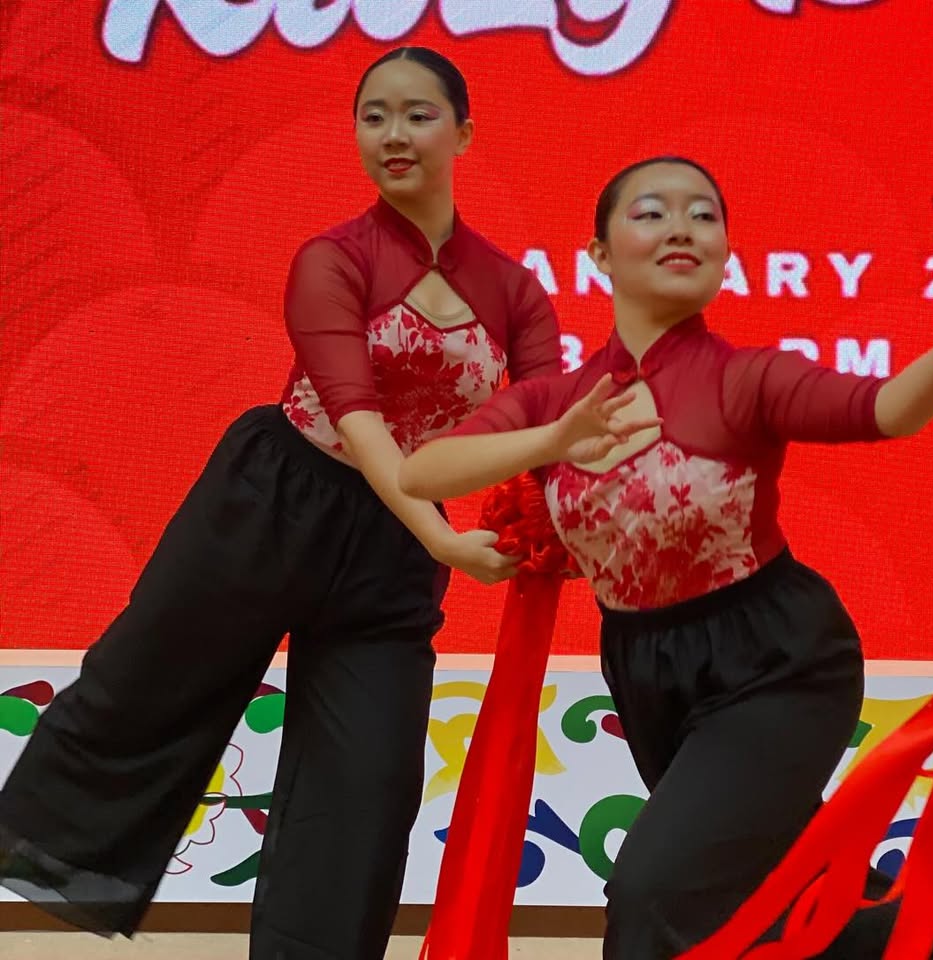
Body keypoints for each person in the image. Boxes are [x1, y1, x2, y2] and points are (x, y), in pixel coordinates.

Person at [399, 156, 933, 958]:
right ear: (597, 254)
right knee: (775, 893)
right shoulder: (554, 402)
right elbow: (423, 471)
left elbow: (891, 409)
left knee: (652, 890)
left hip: (777, 661)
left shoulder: (744, 379)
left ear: (727, 259)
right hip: (648, 671)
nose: (681, 228)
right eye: (651, 212)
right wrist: (554, 441)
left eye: (703, 215)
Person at [0, 47, 561, 959]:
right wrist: (450, 540)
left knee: (368, 787)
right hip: (269, 506)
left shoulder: (513, 292)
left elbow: (544, 428)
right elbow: (364, 423)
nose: (393, 134)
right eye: (372, 115)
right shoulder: (331, 260)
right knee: (134, 698)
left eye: (418, 115)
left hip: (388, 560)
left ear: (463, 132)